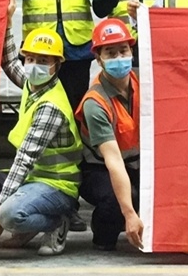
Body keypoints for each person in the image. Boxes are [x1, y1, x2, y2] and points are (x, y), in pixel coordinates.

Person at [0, 28, 82, 256]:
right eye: (30, 59)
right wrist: (7, 23)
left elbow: (24, 160)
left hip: (57, 187)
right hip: (34, 179)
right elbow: (10, 63)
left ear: (57, 65)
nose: (34, 65)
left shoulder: (51, 105)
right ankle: (29, 223)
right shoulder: (33, 85)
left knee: (8, 215)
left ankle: (56, 222)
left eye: (43, 60)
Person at [75, 19, 143, 251]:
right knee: (121, 199)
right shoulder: (95, 103)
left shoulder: (145, 83)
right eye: (110, 53)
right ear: (99, 59)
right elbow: (113, 161)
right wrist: (130, 213)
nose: (118, 57)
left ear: (131, 51)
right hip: (99, 169)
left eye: (123, 50)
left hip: (137, 165)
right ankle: (103, 232)